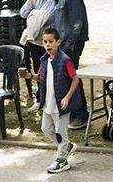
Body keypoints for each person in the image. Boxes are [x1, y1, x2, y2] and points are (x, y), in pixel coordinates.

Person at [28, 25, 82, 174]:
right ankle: (66, 147)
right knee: (46, 128)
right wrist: (28, 76)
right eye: (45, 42)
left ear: (58, 42)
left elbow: (75, 79)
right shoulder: (44, 60)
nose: (47, 45)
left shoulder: (65, 61)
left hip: (61, 104)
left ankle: (62, 161)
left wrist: (67, 97)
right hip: (48, 103)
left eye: (51, 41)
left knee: (60, 132)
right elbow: (40, 77)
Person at [47, 0, 89, 67]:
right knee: (64, 76)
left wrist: (67, 46)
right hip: (62, 43)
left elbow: (76, 25)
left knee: (70, 75)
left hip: (70, 45)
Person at [19, 0, 57, 77]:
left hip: (47, 38)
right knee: (37, 68)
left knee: (48, 69)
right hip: (34, 38)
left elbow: (47, 16)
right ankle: (40, 91)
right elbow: (23, 13)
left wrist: (34, 14)